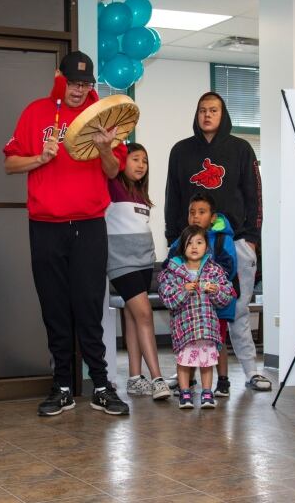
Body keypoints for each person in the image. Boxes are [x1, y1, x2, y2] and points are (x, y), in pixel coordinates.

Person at [4, 51, 130, 417]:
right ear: (60, 77)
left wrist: (106, 148)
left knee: (90, 308)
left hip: (89, 225)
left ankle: (102, 386)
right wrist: (39, 159)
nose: (79, 91)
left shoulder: (103, 117)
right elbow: (10, 163)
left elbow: (112, 172)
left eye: (85, 84)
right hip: (46, 226)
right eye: (73, 82)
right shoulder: (35, 112)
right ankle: (62, 386)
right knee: (55, 308)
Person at [164, 91, 269, 392]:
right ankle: (186, 373)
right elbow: (173, 198)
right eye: (202, 110)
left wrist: (251, 239)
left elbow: (254, 197)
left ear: (223, 115)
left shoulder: (241, 149)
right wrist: (174, 241)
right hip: (190, 247)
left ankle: (251, 372)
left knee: (237, 312)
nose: (207, 115)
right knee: (186, 308)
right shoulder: (181, 151)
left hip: (234, 244)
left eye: (213, 110)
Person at [105, 142, 171, 400]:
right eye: (135, 159)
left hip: (144, 263)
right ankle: (157, 378)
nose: (141, 164)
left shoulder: (142, 195)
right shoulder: (113, 185)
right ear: (123, 161)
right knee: (145, 315)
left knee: (133, 319)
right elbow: (107, 160)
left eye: (144, 160)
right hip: (122, 264)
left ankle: (135, 377)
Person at [168, 193, 238, 397]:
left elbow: (229, 267)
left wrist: (212, 284)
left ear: (213, 217)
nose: (196, 217)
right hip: (190, 305)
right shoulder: (184, 239)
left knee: (218, 341)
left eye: (201, 212)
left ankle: (222, 381)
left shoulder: (223, 238)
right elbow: (172, 263)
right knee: (189, 341)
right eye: (192, 212)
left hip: (217, 305)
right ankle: (187, 382)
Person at [158, 225, 235, 409]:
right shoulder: (173, 271)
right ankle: (185, 393)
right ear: (182, 247)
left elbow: (226, 295)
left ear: (206, 246)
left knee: (206, 362)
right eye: (189, 243)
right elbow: (166, 296)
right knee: (184, 362)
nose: (194, 247)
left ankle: (207, 393)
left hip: (207, 327)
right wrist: (183, 290)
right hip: (185, 329)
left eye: (199, 242)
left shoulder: (214, 270)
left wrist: (215, 290)